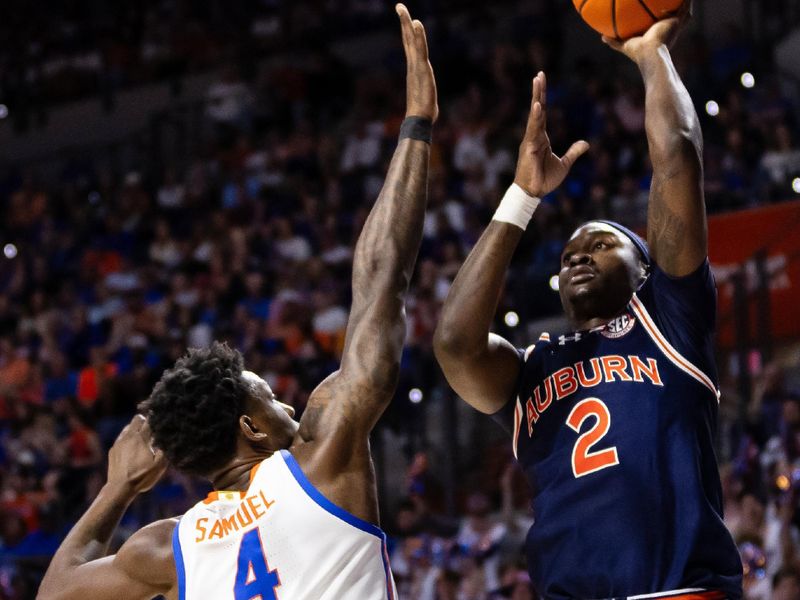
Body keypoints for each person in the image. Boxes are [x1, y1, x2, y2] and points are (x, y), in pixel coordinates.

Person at [37, 4, 437, 599]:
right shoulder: (321, 459)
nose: (287, 406)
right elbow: (381, 283)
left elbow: (56, 592)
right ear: (252, 426)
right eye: (272, 397)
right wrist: (417, 125)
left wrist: (118, 486)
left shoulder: (167, 546)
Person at [433, 9, 744, 600]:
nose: (578, 256)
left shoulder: (669, 318)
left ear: (645, 268)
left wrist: (652, 54)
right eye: (569, 252)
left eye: (602, 244)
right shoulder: (531, 369)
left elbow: (677, 155)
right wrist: (522, 197)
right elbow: (454, 345)